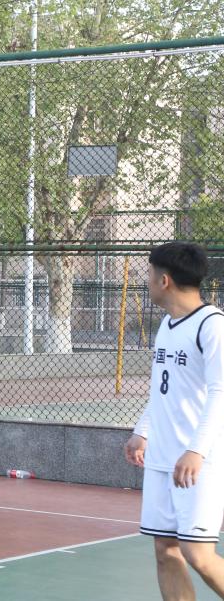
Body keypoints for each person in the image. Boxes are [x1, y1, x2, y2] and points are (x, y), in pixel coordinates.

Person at [125, 242, 224, 599]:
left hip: (200, 462)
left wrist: (196, 450)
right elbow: (164, 388)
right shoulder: (167, 325)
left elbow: (220, 392)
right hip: (162, 459)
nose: (147, 280)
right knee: (165, 550)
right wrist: (143, 431)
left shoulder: (212, 326)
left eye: (149, 274)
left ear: (164, 280)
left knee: (198, 554)